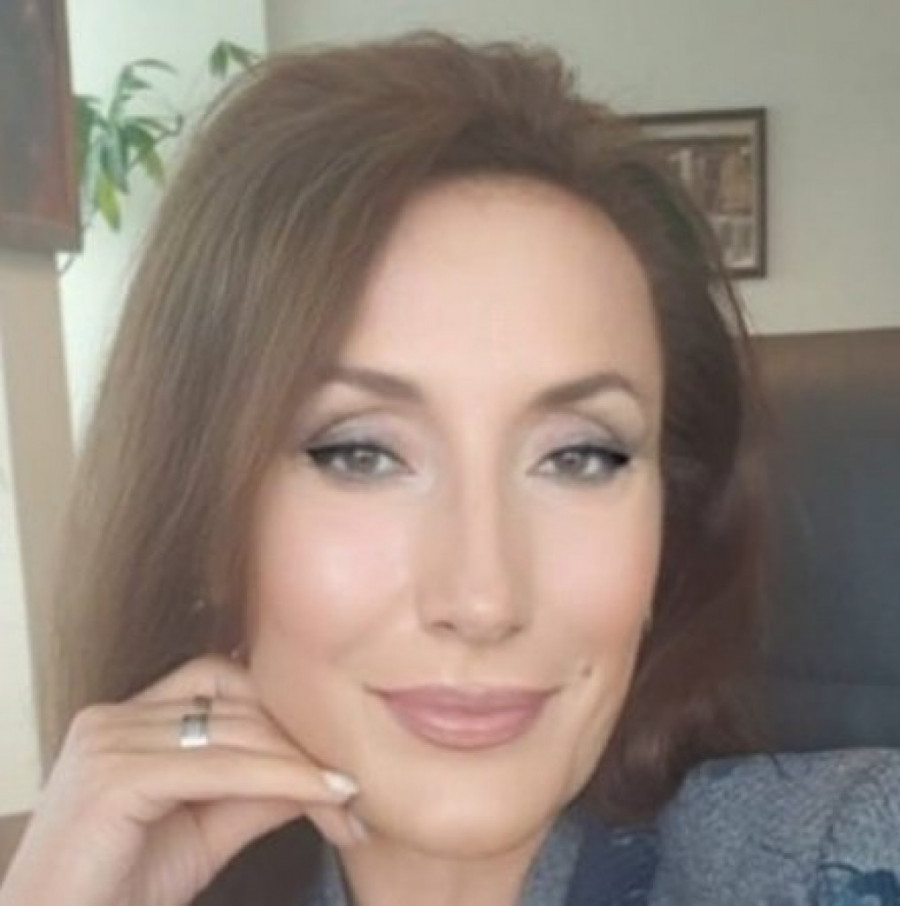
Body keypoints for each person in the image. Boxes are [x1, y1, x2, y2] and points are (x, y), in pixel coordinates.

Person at [2, 30, 898, 906]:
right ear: (204, 522)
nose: (483, 600)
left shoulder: (842, 854)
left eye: (579, 456)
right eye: (361, 453)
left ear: (671, 518)